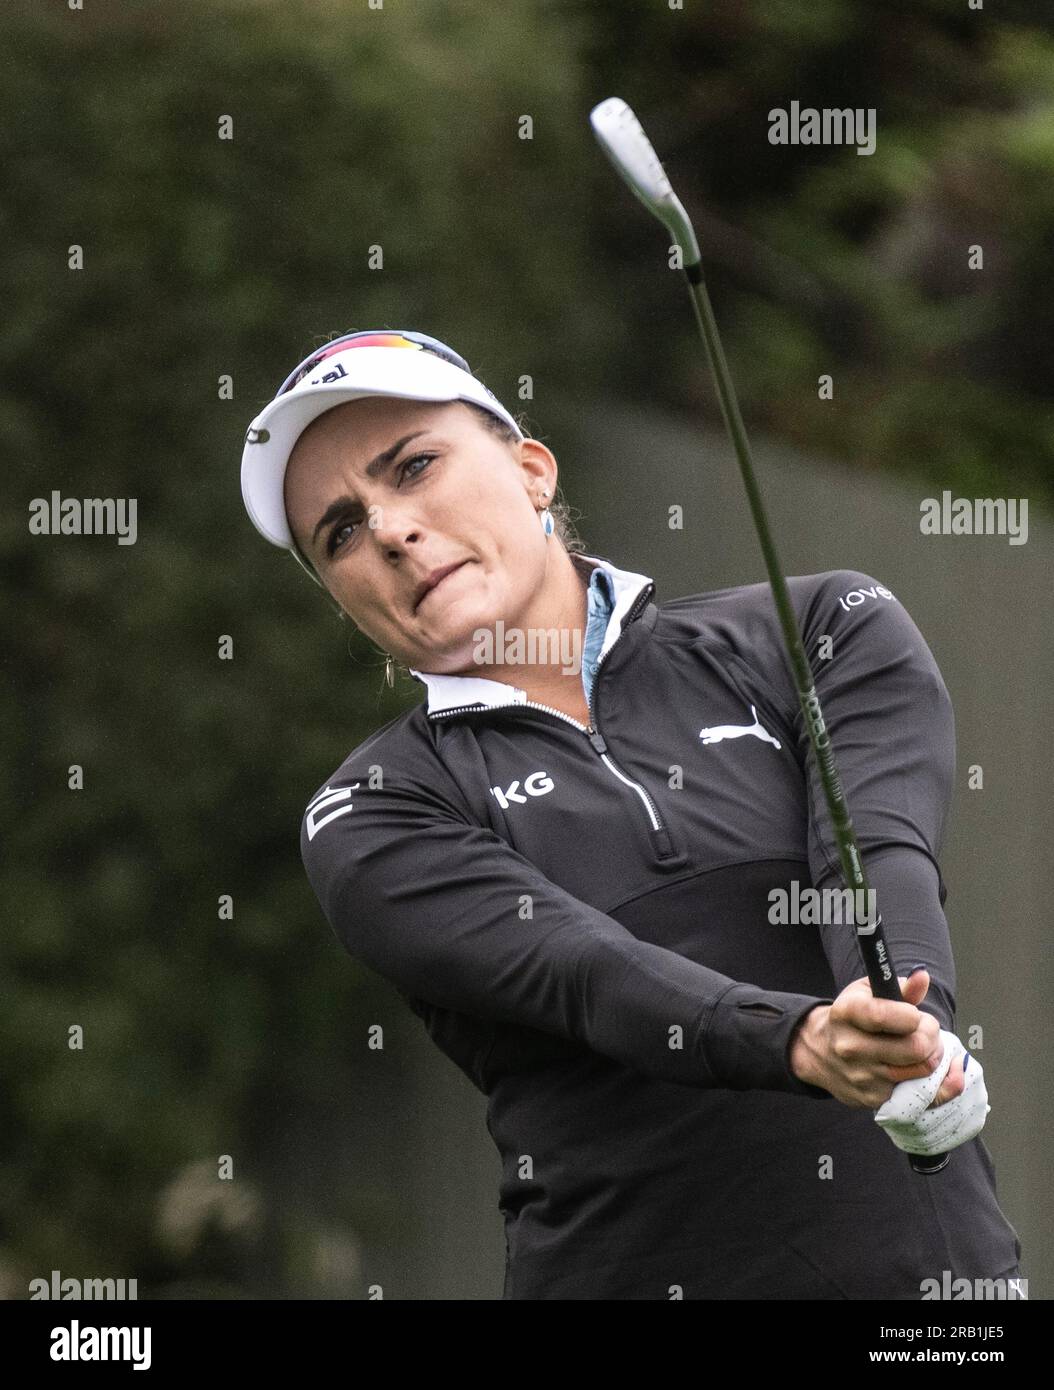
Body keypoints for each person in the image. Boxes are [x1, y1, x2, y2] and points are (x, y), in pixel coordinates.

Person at [240, 328, 1024, 1300]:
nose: (391, 529)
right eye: (341, 531)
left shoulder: (820, 627)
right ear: (342, 598)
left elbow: (868, 854)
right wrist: (801, 1042)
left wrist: (916, 1035)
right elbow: (585, 975)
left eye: (415, 466)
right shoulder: (371, 811)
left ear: (531, 468)